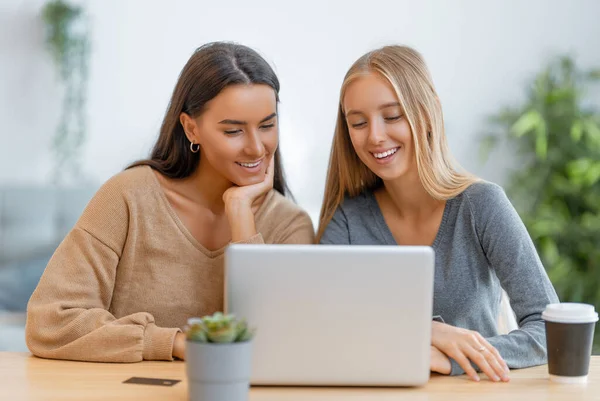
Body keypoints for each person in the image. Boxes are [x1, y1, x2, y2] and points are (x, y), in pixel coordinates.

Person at [26, 42, 314, 362]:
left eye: (267, 125)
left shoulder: (290, 225)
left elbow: (275, 345)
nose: (257, 148)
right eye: (233, 131)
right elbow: (50, 322)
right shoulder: (127, 197)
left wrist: (240, 216)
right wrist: (174, 343)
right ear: (192, 128)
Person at [317, 45, 559, 382]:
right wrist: (425, 332)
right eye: (357, 122)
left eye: (392, 116)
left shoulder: (482, 205)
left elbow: (551, 329)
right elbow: (322, 325)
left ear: (427, 113)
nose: (374, 136)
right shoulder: (348, 219)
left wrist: (453, 361)